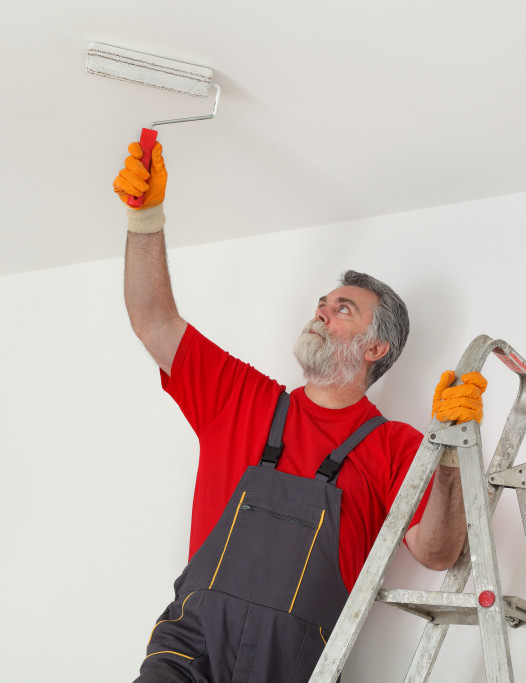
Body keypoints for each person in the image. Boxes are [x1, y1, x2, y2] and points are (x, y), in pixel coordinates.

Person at [114, 141, 488, 683]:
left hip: (295, 667)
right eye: (321, 303)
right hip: (191, 649)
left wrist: (450, 452)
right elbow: (152, 319)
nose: (321, 313)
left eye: (343, 310)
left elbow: (437, 552)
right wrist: (144, 219)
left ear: (375, 348)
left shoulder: (396, 446)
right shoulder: (240, 397)